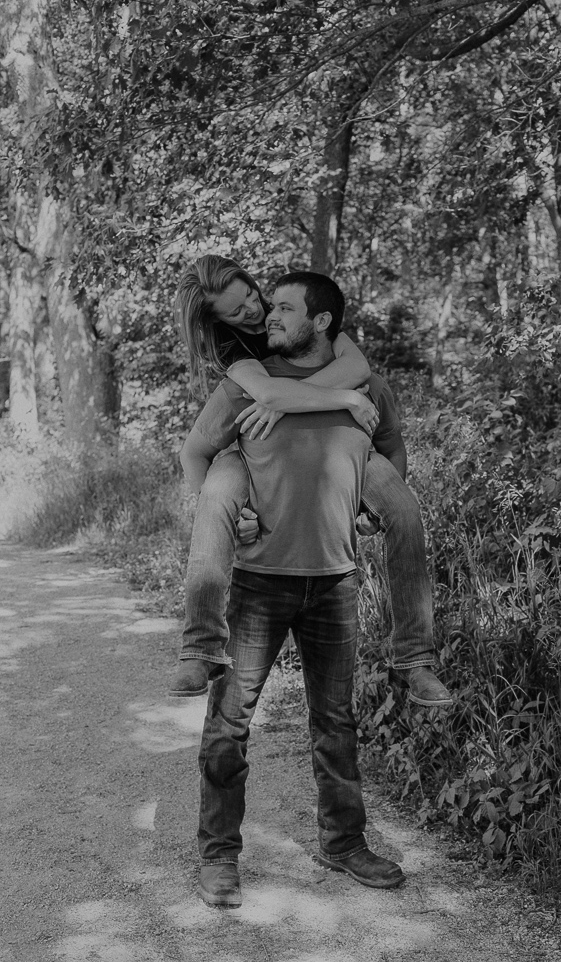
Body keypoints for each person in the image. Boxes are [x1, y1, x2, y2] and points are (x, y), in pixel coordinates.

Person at [180, 271, 408, 907]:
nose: (265, 312)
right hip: (257, 583)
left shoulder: (363, 380)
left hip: (334, 579)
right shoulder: (244, 378)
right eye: (262, 305)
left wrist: (373, 504)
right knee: (229, 724)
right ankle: (218, 856)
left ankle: (344, 844)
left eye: (279, 304)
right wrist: (228, 512)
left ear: (322, 322)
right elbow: (195, 452)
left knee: (336, 723)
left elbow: (389, 456)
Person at [169, 254, 450, 708]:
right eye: (238, 312)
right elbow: (259, 401)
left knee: (404, 508)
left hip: (340, 446)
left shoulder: (300, 314)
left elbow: (357, 368)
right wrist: (294, 400)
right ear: (218, 321)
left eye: (252, 297)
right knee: (218, 493)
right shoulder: (231, 351)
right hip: (251, 450)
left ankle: (415, 661)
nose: (256, 313)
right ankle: (200, 648)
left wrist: (291, 400)